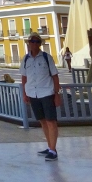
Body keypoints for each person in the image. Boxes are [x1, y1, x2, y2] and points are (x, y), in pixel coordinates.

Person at [20, 32, 61, 161]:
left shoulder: (46, 58)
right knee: (42, 121)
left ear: (40, 44)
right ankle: (49, 147)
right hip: (33, 93)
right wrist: (25, 94)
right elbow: (24, 77)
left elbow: (55, 76)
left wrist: (57, 94)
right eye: (32, 41)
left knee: (51, 121)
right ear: (28, 43)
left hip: (47, 93)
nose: (34, 43)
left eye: (37, 41)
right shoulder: (25, 59)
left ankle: (53, 151)